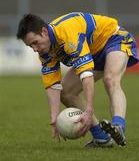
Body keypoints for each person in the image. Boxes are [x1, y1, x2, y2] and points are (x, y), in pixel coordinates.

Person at [16, 12, 139, 148]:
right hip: (92, 52)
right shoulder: (45, 52)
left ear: (44, 32)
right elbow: (52, 85)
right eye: (30, 46)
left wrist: (89, 110)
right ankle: (101, 138)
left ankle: (118, 127)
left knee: (110, 80)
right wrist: (54, 119)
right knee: (66, 92)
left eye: (35, 43)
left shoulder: (67, 34)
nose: (34, 49)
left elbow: (86, 75)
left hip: (114, 39)